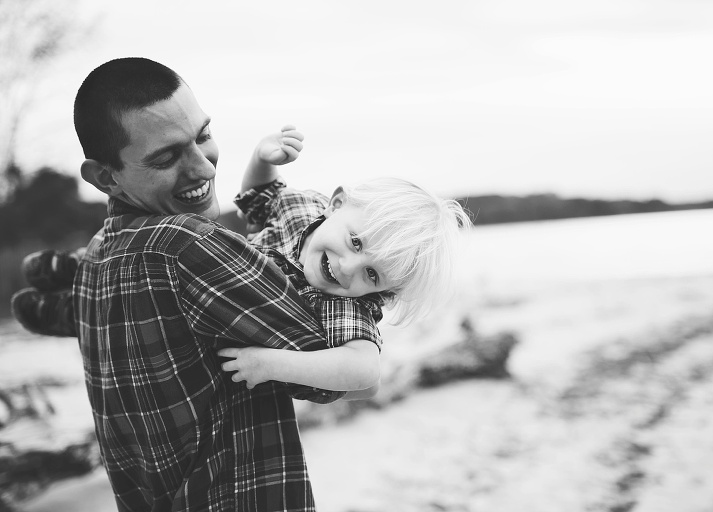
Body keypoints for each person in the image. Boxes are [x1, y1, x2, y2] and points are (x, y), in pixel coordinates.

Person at [16, 56, 356, 512]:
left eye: (203, 136)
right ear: (105, 177)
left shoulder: (99, 257)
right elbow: (337, 374)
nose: (205, 169)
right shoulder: (189, 246)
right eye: (166, 158)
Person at [218, 125, 471, 392]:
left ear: (385, 292)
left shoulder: (344, 305)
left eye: (372, 274)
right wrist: (262, 159)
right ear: (336, 205)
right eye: (355, 242)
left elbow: (365, 372)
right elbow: (258, 196)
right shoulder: (299, 208)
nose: (348, 268)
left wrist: (269, 365)